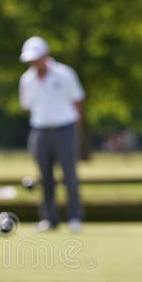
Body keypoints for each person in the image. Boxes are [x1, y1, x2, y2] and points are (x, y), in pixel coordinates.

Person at [18, 36, 86, 232]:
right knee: (45, 178)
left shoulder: (64, 74)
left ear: (46, 55)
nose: (33, 62)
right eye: (30, 59)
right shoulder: (26, 79)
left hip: (65, 129)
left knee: (69, 176)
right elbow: (27, 106)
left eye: (36, 58)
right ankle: (49, 219)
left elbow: (78, 100)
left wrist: (76, 131)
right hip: (39, 131)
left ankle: (74, 218)